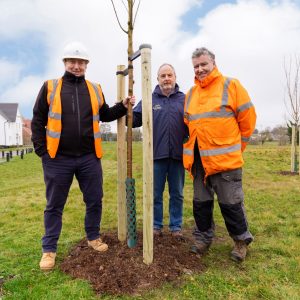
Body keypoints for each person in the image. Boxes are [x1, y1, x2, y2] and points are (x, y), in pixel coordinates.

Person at [31, 41, 135, 271]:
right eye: (72, 62)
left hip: (89, 157)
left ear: (86, 65)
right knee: (55, 204)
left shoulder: (95, 88)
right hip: (58, 158)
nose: (76, 66)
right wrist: (42, 152)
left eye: (81, 62)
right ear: (65, 63)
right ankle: (49, 249)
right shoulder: (50, 86)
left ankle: (93, 237)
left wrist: (123, 106)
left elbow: (105, 114)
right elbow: (38, 119)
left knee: (95, 199)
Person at [183, 47, 256, 262]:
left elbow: (248, 121)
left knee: (231, 204)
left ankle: (241, 242)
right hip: (199, 162)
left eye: (204, 64)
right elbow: (188, 124)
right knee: (201, 204)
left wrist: (236, 149)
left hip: (226, 162)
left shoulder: (231, 85)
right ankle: (202, 239)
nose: (200, 69)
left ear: (213, 63)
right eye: (196, 66)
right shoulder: (191, 93)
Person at [132, 63, 187, 237]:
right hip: (155, 156)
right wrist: (126, 107)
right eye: (163, 76)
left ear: (175, 77)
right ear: (157, 79)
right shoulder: (150, 99)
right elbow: (133, 120)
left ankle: (175, 226)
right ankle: (156, 225)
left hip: (178, 156)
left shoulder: (184, 99)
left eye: (169, 75)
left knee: (177, 194)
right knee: (155, 194)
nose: (166, 79)